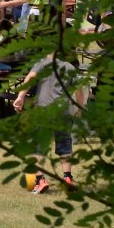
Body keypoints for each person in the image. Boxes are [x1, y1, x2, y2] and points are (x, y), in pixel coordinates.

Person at [13, 55, 87, 193]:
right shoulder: (70, 67)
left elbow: (29, 79)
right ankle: (68, 179)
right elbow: (79, 90)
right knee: (65, 145)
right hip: (62, 112)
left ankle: (40, 180)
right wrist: (80, 108)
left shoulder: (42, 64)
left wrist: (20, 97)